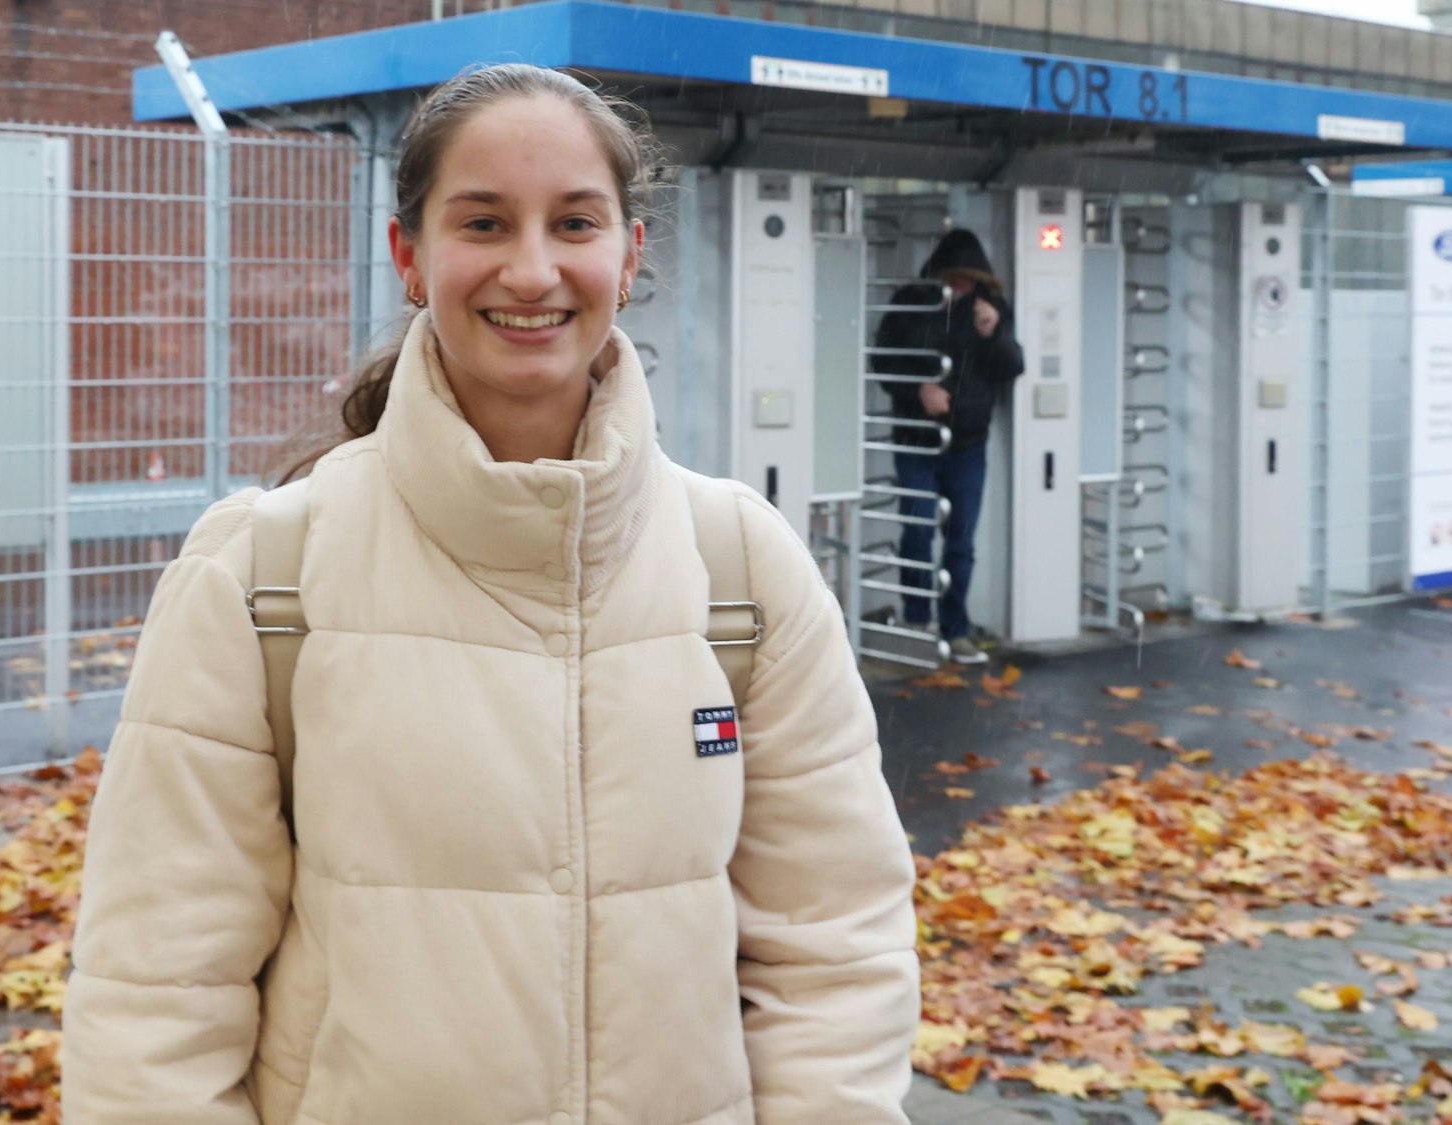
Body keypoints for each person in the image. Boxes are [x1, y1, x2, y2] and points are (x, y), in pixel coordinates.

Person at [61, 64, 919, 1124]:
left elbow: (835, 946)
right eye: (482, 222)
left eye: (573, 223)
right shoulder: (258, 576)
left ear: (628, 253)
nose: (530, 269)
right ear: (409, 257)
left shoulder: (739, 567)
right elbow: (155, 996)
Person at [874, 230, 1024, 665]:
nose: (960, 287)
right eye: (954, 278)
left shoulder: (991, 311)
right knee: (917, 531)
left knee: (961, 542)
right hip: (915, 439)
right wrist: (918, 389)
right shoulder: (911, 302)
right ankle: (918, 622)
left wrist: (993, 332)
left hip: (968, 444)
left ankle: (955, 628)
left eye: (968, 280)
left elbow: (1013, 367)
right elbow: (883, 361)